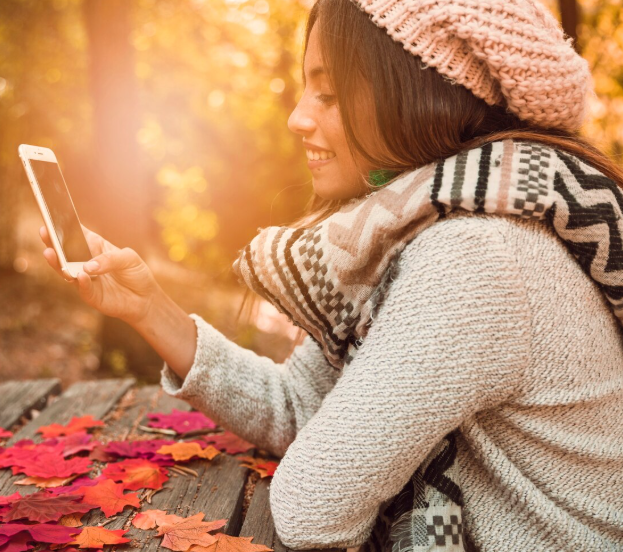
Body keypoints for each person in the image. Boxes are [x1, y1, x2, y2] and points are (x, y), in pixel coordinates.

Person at [39, 1, 623, 550]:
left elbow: (312, 507)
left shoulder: (476, 255)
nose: (298, 118)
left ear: (424, 94)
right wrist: (150, 309)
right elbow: (299, 406)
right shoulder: (423, 229)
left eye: (331, 93)